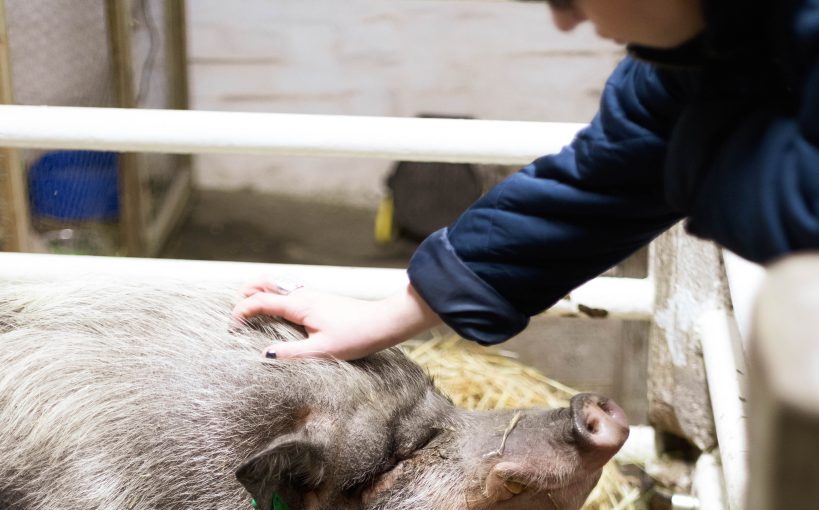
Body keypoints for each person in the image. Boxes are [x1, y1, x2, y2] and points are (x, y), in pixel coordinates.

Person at [232, 0, 815, 360]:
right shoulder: (704, 50)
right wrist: (389, 312)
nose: (565, 22)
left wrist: (689, 148)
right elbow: (597, 182)